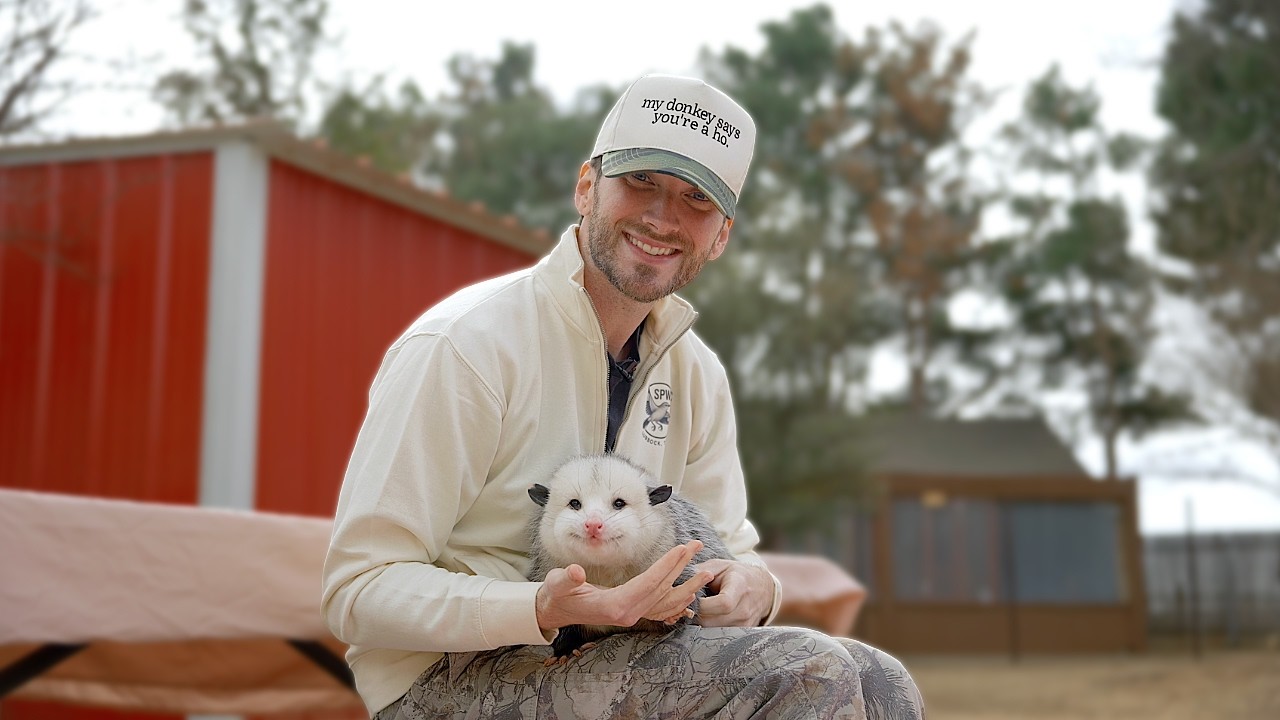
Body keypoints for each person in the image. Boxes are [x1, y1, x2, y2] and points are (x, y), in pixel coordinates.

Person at [322, 74, 926, 719]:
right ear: (587, 186)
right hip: (447, 679)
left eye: (696, 200)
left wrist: (753, 588)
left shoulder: (697, 373)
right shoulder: (465, 345)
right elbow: (356, 590)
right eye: (641, 181)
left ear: (720, 236)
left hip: (629, 655)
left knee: (882, 680)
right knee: (812, 673)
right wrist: (539, 608)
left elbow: (730, 546)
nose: (663, 217)